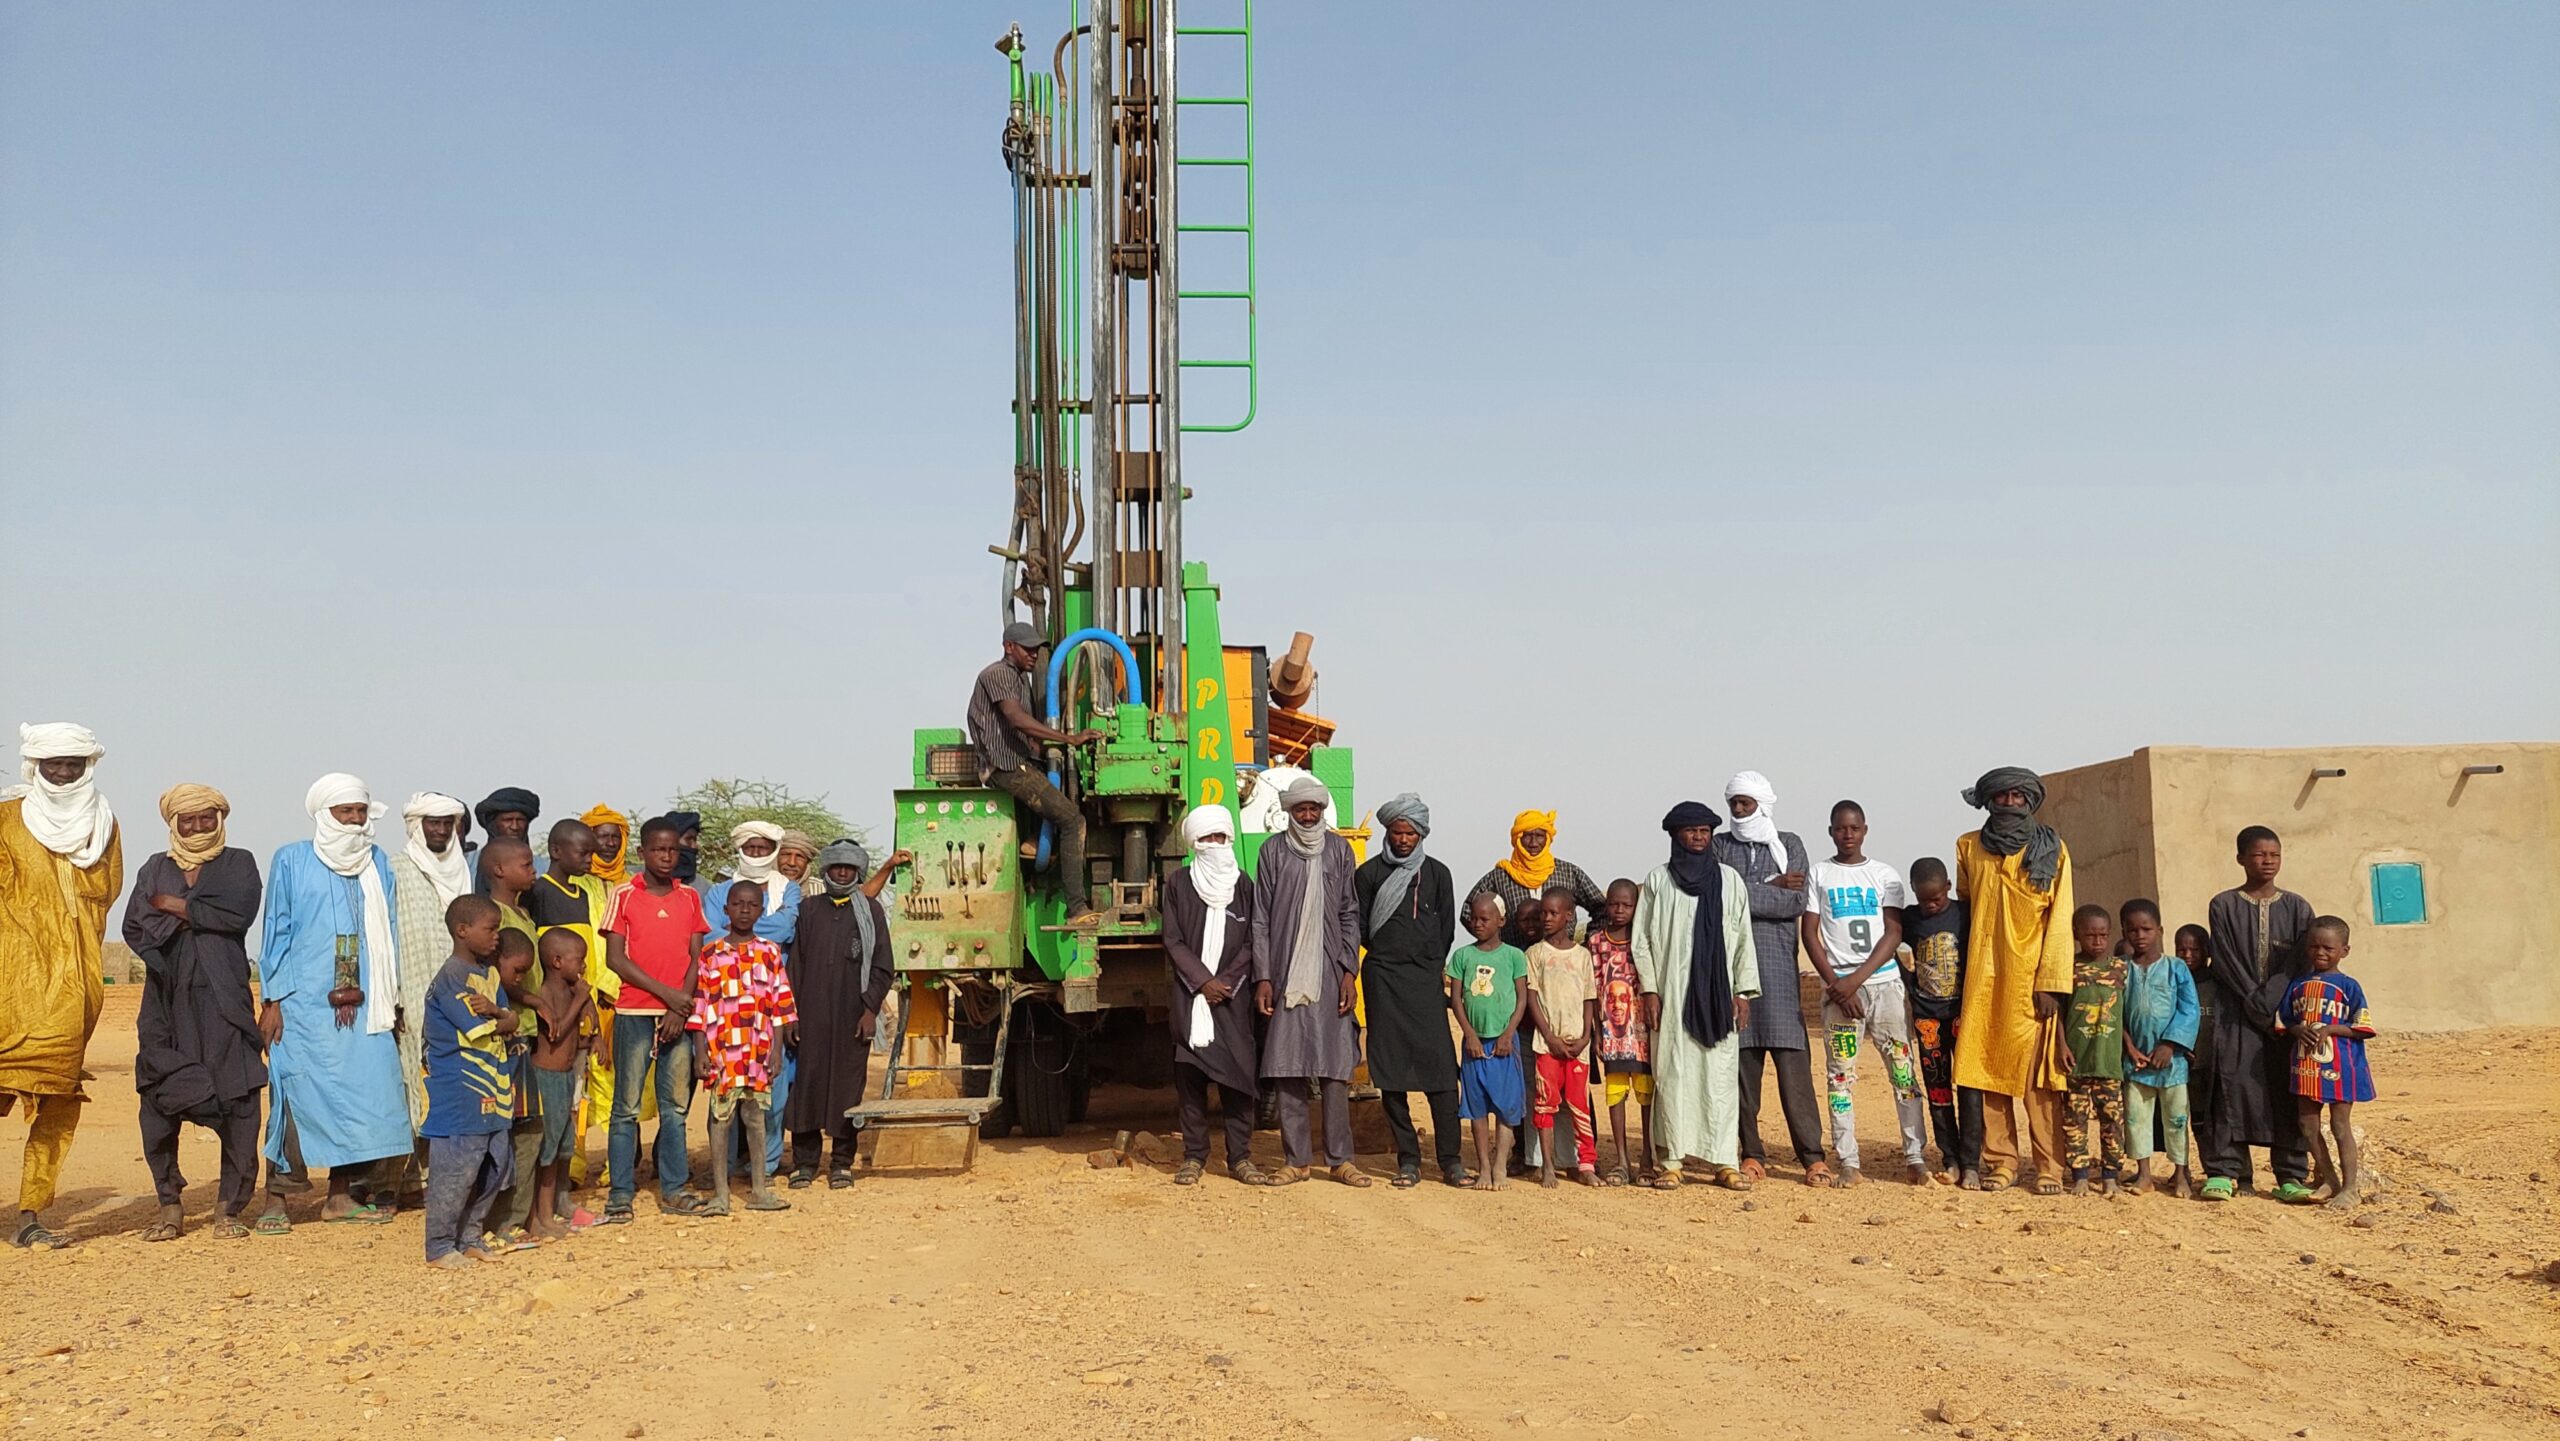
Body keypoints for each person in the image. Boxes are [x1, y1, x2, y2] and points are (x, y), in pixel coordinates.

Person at [258, 774, 414, 1231]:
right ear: (323, 814)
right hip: (303, 1005)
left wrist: (395, 997)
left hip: (368, 1007)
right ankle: (277, 1201)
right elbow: (276, 931)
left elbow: (390, 928)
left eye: (360, 811)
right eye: (344, 811)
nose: (353, 819)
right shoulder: (291, 859)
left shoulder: (377, 862)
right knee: (294, 1095)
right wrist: (272, 999)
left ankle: (341, 1196)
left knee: (365, 1095)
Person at [122, 783, 263, 1243]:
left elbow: (237, 915)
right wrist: (197, 914)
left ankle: (228, 1209)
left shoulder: (238, 863)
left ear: (221, 819)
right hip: (167, 998)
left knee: (239, 1102)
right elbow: (135, 925)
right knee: (158, 1098)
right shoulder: (153, 868)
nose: (199, 826)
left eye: (207, 817)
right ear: (173, 824)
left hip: (225, 1001)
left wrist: (176, 906)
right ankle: (169, 1206)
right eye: (189, 819)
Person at [0, 723, 122, 1250]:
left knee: (56, 1099)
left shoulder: (102, 822)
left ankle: (31, 1213)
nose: (65, 771)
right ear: (36, 764)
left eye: (75, 763)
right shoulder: (6, 820)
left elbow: (106, 892)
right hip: (11, 981)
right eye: (56, 763)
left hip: (75, 984)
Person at [1950, 767, 2076, 1195]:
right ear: (1988, 800)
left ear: (2030, 800)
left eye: (2017, 795)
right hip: (1983, 978)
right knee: (1988, 1073)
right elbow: (1967, 907)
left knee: (2038, 1082)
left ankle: (2048, 1167)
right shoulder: (1968, 847)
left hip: (2032, 982)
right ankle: (2000, 1162)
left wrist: (2050, 984)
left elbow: (2060, 920)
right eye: (2001, 796)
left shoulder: (2054, 850)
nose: (2009, 802)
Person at [1632, 801, 1760, 1191]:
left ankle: (1724, 1160)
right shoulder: (1658, 880)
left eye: (1705, 830)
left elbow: (1741, 938)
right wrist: (1650, 989)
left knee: (1719, 1077)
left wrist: (1743, 992)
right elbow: (1642, 942)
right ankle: (1671, 1161)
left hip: (1718, 997)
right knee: (1672, 1074)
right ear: (1676, 835)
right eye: (1692, 831)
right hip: (1671, 997)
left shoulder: (1729, 880)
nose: (1699, 837)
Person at [1803, 800, 1926, 1187]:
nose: (1848, 835)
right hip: (1838, 993)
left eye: (1854, 828)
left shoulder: (1885, 875)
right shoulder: (1820, 874)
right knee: (1840, 1077)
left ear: (1865, 830)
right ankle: (1849, 1160)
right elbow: (1810, 933)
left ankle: (1915, 1156)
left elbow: (1893, 933)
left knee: (1902, 1070)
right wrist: (1837, 986)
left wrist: (1855, 981)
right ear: (1831, 832)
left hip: (1883, 986)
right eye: (1840, 828)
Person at [1251, 776, 1365, 1187]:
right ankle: (1296, 1161)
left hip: (1330, 972)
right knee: (1287, 1068)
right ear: (1289, 811)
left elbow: (1350, 914)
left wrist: (1349, 971)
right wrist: (1263, 976)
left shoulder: (1338, 850)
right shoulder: (1272, 852)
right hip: (1284, 975)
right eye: (1301, 808)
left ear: (1322, 810)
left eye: (1314, 808)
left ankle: (1341, 1160)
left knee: (1335, 1071)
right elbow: (1260, 917)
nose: (1308, 814)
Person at [1714, 771, 1827, 1188]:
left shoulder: (1790, 844)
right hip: (1732, 973)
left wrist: (1746, 891)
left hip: (1779, 972)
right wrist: (1769, 886)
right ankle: (1751, 1153)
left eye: (1746, 803)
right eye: (1735, 804)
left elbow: (1795, 902)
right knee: (1742, 1074)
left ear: (1763, 804)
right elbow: (1717, 896)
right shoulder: (1720, 845)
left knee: (1794, 1071)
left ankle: (1812, 1157)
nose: (1740, 810)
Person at [2199, 826, 2318, 1204]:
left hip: (2286, 1015)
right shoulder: (2223, 904)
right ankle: (2225, 1171)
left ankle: (2290, 1174)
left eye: (2274, 855)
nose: (2267, 861)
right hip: (2236, 1012)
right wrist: (2255, 1002)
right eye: (2258, 854)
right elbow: (2227, 959)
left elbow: (2301, 960)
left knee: (2286, 1088)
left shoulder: (2298, 908)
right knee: (2230, 1087)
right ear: (2240, 859)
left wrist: (2273, 1006)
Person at [600, 816, 710, 1222]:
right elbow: (616, 959)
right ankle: (620, 1194)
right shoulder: (624, 894)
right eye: (659, 849)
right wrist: (669, 998)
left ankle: (675, 1188)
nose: (667, 857)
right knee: (626, 1106)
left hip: (678, 1015)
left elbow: (696, 957)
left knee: (675, 1107)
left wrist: (679, 1009)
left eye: (673, 850)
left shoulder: (690, 898)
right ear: (642, 852)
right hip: (635, 1012)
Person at [1355, 793, 1465, 1189]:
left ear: (1422, 835)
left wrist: (1426, 961)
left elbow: (1447, 929)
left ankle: (1451, 1160)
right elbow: (1362, 928)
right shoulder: (1368, 875)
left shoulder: (1438, 874)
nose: (1403, 839)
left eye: (1410, 833)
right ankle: (1408, 1161)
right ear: (1387, 831)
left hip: (1424, 981)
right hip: (1383, 979)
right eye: (1397, 832)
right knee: (1391, 1074)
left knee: (1439, 1073)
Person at [969, 621, 1104, 924]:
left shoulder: (1019, 680)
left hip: (1021, 763)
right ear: (1009, 647)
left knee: (1070, 802)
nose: (1033, 655)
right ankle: (1076, 908)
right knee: (1071, 819)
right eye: (1027, 649)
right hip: (1005, 767)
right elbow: (1016, 720)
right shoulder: (998, 674)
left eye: (1036, 649)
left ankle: (1034, 843)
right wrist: (1070, 738)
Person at [783, 840, 896, 1189]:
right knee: (807, 1087)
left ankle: (842, 1162)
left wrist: (869, 1011)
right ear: (826, 870)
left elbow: (882, 967)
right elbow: (795, 966)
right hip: (810, 1014)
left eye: (849, 868)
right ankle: (805, 1162)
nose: (842, 872)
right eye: (836, 867)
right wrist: (791, 1017)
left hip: (853, 1018)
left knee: (847, 1089)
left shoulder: (871, 912)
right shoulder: (809, 909)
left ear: (858, 871)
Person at [1164, 806, 1266, 1187]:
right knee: (1190, 1080)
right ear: (1194, 843)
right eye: (1205, 839)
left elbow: (1255, 938)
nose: (1213, 845)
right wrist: (1203, 982)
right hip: (1191, 998)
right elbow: (1173, 940)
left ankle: (1241, 1158)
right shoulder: (1178, 884)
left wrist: (1226, 981)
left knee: (1239, 1079)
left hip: (1233, 998)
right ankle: (1194, 1157)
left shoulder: (1243, 885)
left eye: (1219, 838)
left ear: (1229, 839)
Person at [418, 895, 518, 1267]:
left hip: (494, 1088)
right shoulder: (451, 978)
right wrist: (503, 1018)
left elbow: (507, 1019)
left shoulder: (488, 975)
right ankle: (440, 1246)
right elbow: (484, 1026)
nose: (496, 937)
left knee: (495, 1165)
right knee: (455, 1172)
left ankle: (470, 1236)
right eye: (490, 929)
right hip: (460, 1092)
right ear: (462, 931)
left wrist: (503, 1016)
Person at [702, 821, 802, 1175]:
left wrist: (740, 930)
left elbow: (786, 928)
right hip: (724, 1014)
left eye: (763, 848)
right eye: (751, 848)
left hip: (767, 1009)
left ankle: (767, 1168)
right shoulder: (717, 891)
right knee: (724, 1098)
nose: (757, 854)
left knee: (772, 1097)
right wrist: (763, 925)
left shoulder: (787, 889)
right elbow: (710, 936)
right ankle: (725, 1171)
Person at [692, 881, 797, 1216]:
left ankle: (760, 1190)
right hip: (722, 1050)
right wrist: (700, 1051)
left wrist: (777, 1051)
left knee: (755, 1118)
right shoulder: (710, 955)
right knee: (720, 1120)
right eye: (738, 904)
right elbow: (699, 1006)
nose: (745, 910)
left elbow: (782, 1007)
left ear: (761, 909)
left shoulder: (770, 952)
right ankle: (721, 1195)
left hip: (758, 1051)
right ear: (726, 909)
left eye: (752, 905)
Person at [2276, 917, 2374, 1209]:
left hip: (2341, 1065)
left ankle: (2350, 1188)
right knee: (2307, 1123)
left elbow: (2362, 1026)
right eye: (2314, 947)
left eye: (2328, 948)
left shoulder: (2349, 986)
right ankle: (2328, 1179)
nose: (2320, 953)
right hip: (2306, 1065)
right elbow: (2284, 1021)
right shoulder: (2297, 985)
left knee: (2340, 1125)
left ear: (2344, 950)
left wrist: (2330, 1029)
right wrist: (2297, 1030)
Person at [390, 793, 472, 1139]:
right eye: (432, 823)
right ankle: (407, 1177)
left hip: (457, 993)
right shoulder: (396, 866)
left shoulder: (462, 871)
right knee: (409, 1078)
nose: (440, 830)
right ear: (417, 826)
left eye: (446, 823)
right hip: (410, 990)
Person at [1902, 857, 1981, 1186]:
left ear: (1948, 887)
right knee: (1938, 1092)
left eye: (1936, 898)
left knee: (1970, 1091)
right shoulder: (1909, 918)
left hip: (1964, 1017)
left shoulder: (1965, 913)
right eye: (1924, 899)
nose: (1931, 905)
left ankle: (1972, 1162)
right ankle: (1949, 1159)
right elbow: (1889, 942)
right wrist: (1909, 983)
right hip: (1928, 1022)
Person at [1445, 892, 1528, 1191]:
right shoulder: (1462, 957)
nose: (1477, 924)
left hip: (1505, 1044)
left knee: (1506, 1107)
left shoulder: (1514, 956)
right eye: (1474, 919)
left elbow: (1522, 999)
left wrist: (1508, 1034)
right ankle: (1482, 1167)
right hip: (1474, 1045)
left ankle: (1500, 1166)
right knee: (1476, 1107)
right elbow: (1456, 999)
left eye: (1485, 919)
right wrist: (1469, 1034)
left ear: (1501, 921)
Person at [2118, 899, 2199, 1197]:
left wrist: (2169, 1044)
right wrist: (2128, 1045)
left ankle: (2180, 1175)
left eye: (2146, 929)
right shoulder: (2121, 969)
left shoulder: (2175, 968)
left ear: (2160, 930)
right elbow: (2113, 1012)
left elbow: (2189, 1009)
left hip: (2172, 1062)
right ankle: (2145, 1175)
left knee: (2176, 1118)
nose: (2140, 935)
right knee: (2136, 1118)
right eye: (2133, 930)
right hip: (2136, 1062)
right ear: (2124, 932)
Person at [522, 928, 597, 1238]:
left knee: (564, 1144)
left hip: (566, 1076)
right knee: (548, 1149)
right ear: (556, 961)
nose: (583, 967)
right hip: (548, 1077)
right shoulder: (547, 993)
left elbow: (587, 1013)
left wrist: (596, 1038)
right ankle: (540, 1215)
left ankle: (552, 1207)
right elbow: (555, 1032)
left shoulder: (571, 989)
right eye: (578, 961)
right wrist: (580, 998)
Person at [1526, 888, 1601, 1188]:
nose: (1546, 918)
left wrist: (1585, 1036)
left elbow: (1588, 999)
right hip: (1547, 1045)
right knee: (1545, 1104)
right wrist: (1549, 1035)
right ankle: (1547, 1165)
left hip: (1577, 1046)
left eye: (1553, 913)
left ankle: (1586, 1163)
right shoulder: (1536, 954)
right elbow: (1532, 999)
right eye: (1544, 913)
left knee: (1580, 1105)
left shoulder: (1582, 955)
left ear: (1569, 916)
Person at [1588, 878, 1653, 1186]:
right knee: (1615, 1095)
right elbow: (1592, 989)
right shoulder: (1596, 942)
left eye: (1627, 905)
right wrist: (1596, 1033)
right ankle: (1622, 1161)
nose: (1620, 910)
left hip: (1641, 1033)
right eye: (1614, 903)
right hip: (1612, 1034)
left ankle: (1647, 1160)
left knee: (1646, 1095)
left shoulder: (1644, 941)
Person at [1463, 809, 1607, 945]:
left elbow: (1602, 907)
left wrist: (1589, 942)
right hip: (1515, 962)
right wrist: (1495, 946)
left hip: (1561, 960)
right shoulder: (1500, 877)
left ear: (1547, 838)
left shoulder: (1568, 873)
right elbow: (1468, 911)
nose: (1533, 843)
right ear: (1518, 838)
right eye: (1527, 836)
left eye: (1539, 836)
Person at [2061, 905, 2127, 1197]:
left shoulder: (2120, 969)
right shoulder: (2068, 969)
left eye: (2102, 935)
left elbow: (2126, 1015)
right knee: (2074, 1121)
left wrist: (2130, 1048)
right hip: (2077, 1060)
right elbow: (2059, 1014)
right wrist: (2061, 1045)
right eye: (2090, 935)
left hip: (2109, 1062)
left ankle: (2111, 1175)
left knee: (2112, 1120)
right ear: (2077, 935)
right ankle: (2080, 1175)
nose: (2097, 942)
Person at [472, 786, 541, 890]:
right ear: (493, 824)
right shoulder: (470, 864)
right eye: (507, 820)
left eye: (520, 820)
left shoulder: (542, 867)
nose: (515, 827)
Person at [583, 806, 635, 888]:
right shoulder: (573, 880)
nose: (611, 843)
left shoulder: (634, 883)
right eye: (603, 836)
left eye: (615, 837)